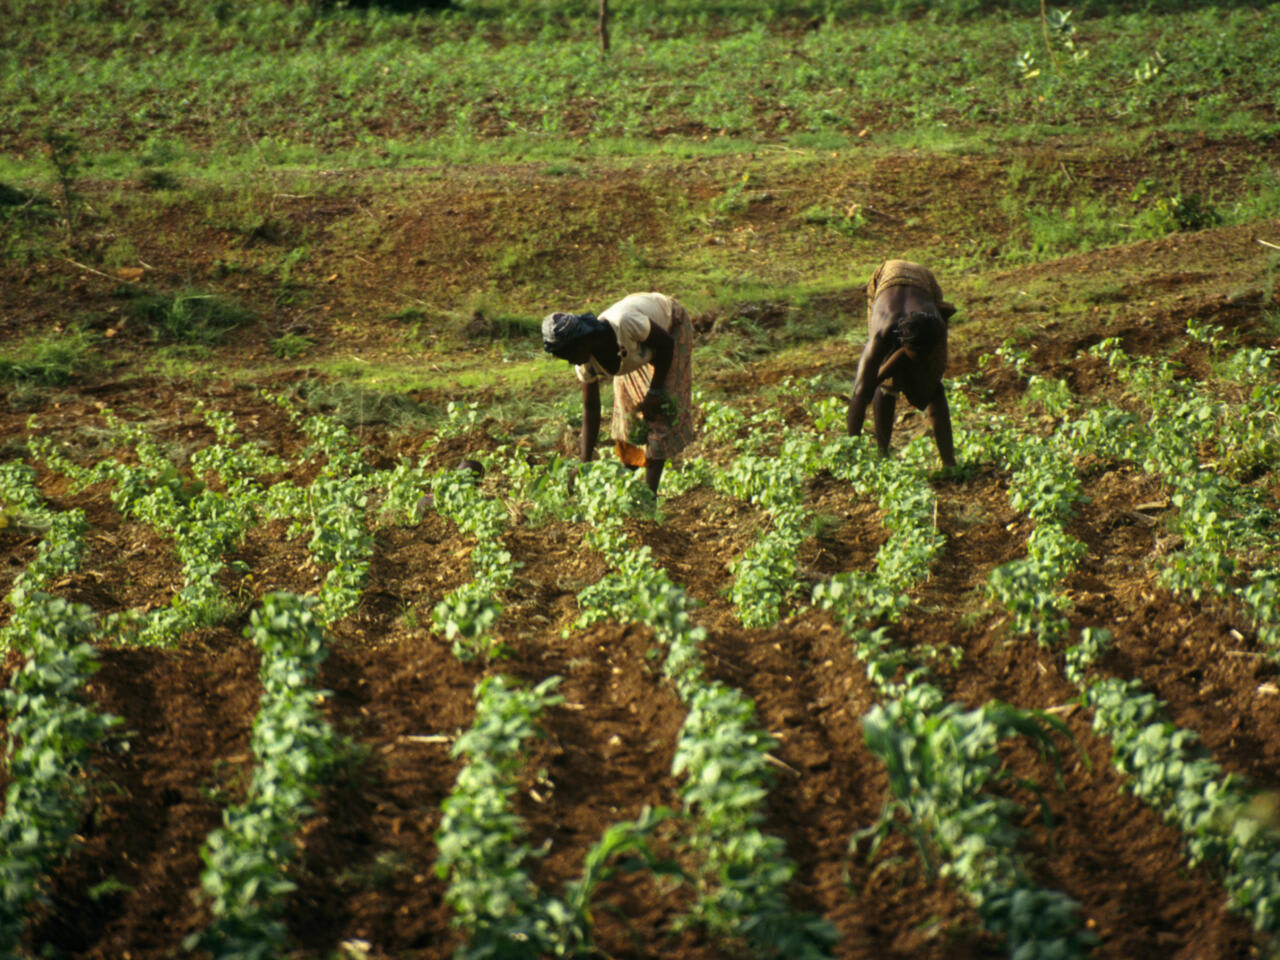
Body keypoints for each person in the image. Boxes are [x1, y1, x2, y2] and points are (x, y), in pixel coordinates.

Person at [542, 292, 696, 494]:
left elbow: (666, 345)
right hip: (637, 347)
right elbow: (591, 408)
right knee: (629, 418)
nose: (571, 361)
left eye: (569, 354)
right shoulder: (585, 364)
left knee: (658, 413)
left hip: (669, 330)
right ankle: (628, 479)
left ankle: (648, 499)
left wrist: (655, 390)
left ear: (583, 341)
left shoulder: (624, 324)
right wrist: (583, 463)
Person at [848, 259, 957, 467]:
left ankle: (949, 462)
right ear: (902, 342)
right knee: (885, 387)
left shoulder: (934, 327)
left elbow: (923, 366)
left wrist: (925, 381)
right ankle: (883, 454)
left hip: (924, 281)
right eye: (914, 353)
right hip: (886, 277)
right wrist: (851, 454)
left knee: (934, 387)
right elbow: (860, 393)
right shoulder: (882, 333)